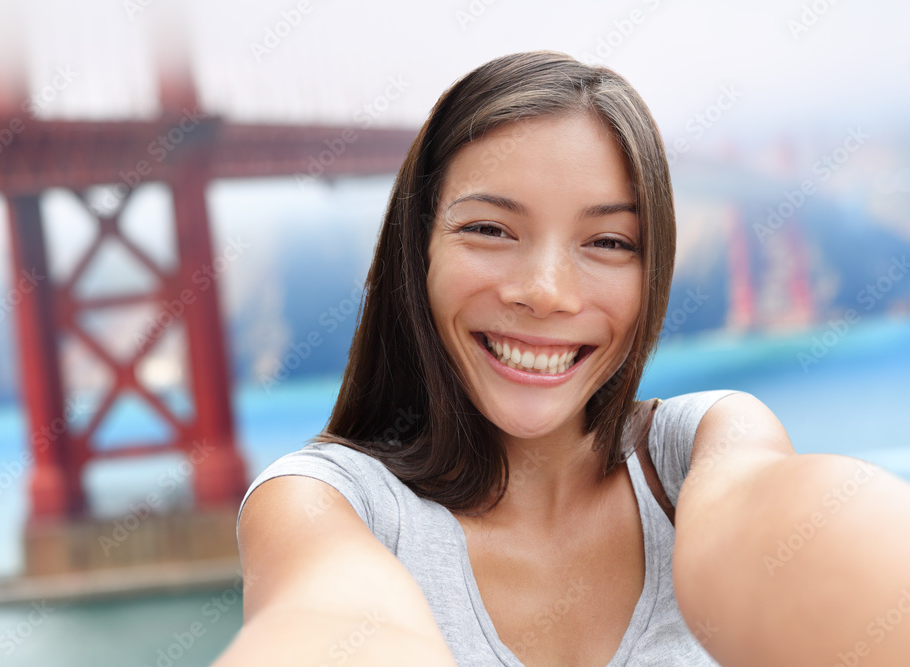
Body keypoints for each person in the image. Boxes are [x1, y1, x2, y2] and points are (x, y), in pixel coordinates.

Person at [214, 51, 910, 666]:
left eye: (608, 241)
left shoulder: (704, 448)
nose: (545, 292)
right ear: (418, 250)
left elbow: (805, 534)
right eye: (489, 229)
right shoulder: (325, 501)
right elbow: (328, 622)